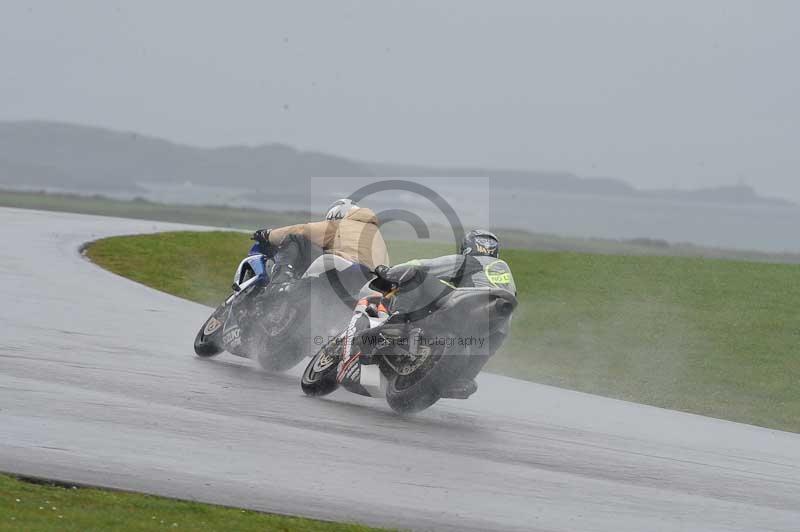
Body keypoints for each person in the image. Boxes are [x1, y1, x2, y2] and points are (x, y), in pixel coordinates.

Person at [338, 229, 516, 396]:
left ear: (468, 247)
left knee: (416, 274)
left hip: (471, 302)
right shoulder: (503, 273)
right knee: (483, 350)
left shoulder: (472, 261)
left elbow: (424, 265)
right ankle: (461, 378)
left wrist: (390, 272)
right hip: (498, 323)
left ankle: (397, 321)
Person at [252, 198, 390, 284]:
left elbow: (302, 230)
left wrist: (267, 234)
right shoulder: (378, 236)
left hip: (345, 266)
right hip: (372, 281)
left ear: (336, 215)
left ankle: (280, 283)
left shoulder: (340, 224)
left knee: (295, 238)